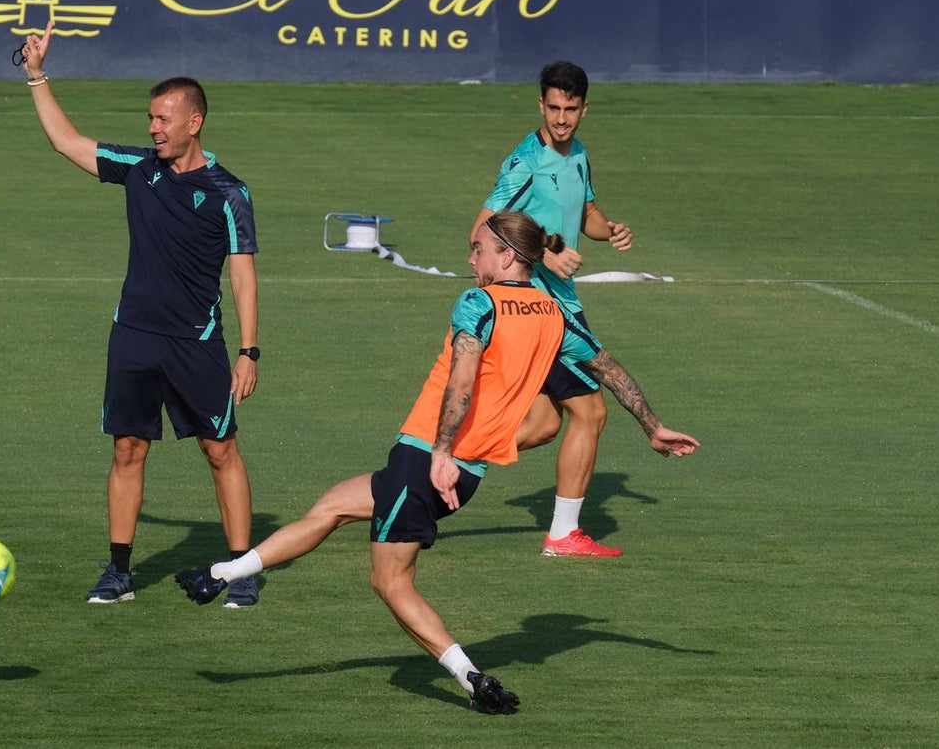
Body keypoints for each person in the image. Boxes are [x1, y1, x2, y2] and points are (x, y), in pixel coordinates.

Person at [175, 211, 699, 713]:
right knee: (332, 506)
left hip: (428, 460)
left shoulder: (479, 304)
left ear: (509, 256)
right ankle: (222, 573)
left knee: (390, 582)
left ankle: (471, 678)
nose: (472, 259)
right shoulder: (553, 313)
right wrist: (652, 426)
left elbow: (462, 382)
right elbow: (608, 368)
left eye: (479, 250)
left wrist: (442, 453)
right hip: (447, 467)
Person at [18, 21, 262, 607]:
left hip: (196, 342)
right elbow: (67, 143)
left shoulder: (230, 192)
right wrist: (36, 76)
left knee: (219, 448)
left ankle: (241, 569)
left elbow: (243, 274)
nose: (153, 128)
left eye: (163, 118)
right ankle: (120, 571)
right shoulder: (139, 168)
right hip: (133, 336)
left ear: (193, 122)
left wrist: (249, 351)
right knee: (127, 448)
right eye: (151, 118)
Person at [469, 60, 635, 558]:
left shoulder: (578, 155)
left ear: (585, 108)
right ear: (540, 105)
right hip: (537, 309)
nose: (562, 119)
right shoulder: (526, 161)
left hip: (560, 303)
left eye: (571, 109)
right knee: (593, 412)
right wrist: (545, 251)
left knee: (543, 424)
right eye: (554, 108)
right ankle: (563, 535)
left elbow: (584, 211)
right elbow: (483, 231)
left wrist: (611, 230)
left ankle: (449, 455)